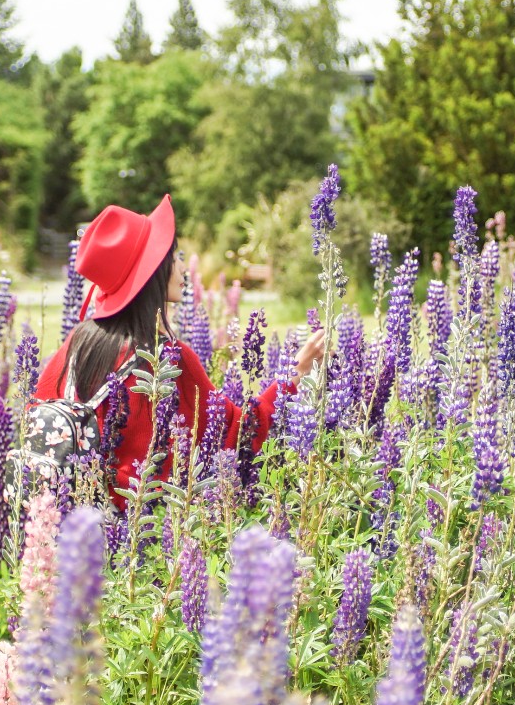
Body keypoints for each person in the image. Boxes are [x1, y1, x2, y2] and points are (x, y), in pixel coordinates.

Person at [34, 194, 326, 504]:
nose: (183, 266)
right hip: (141, 538)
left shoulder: (75, 346)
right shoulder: (169, 359)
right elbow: (235, 437)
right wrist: (294, 375)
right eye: (174, 255)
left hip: (65, 532)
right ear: (153, 271)